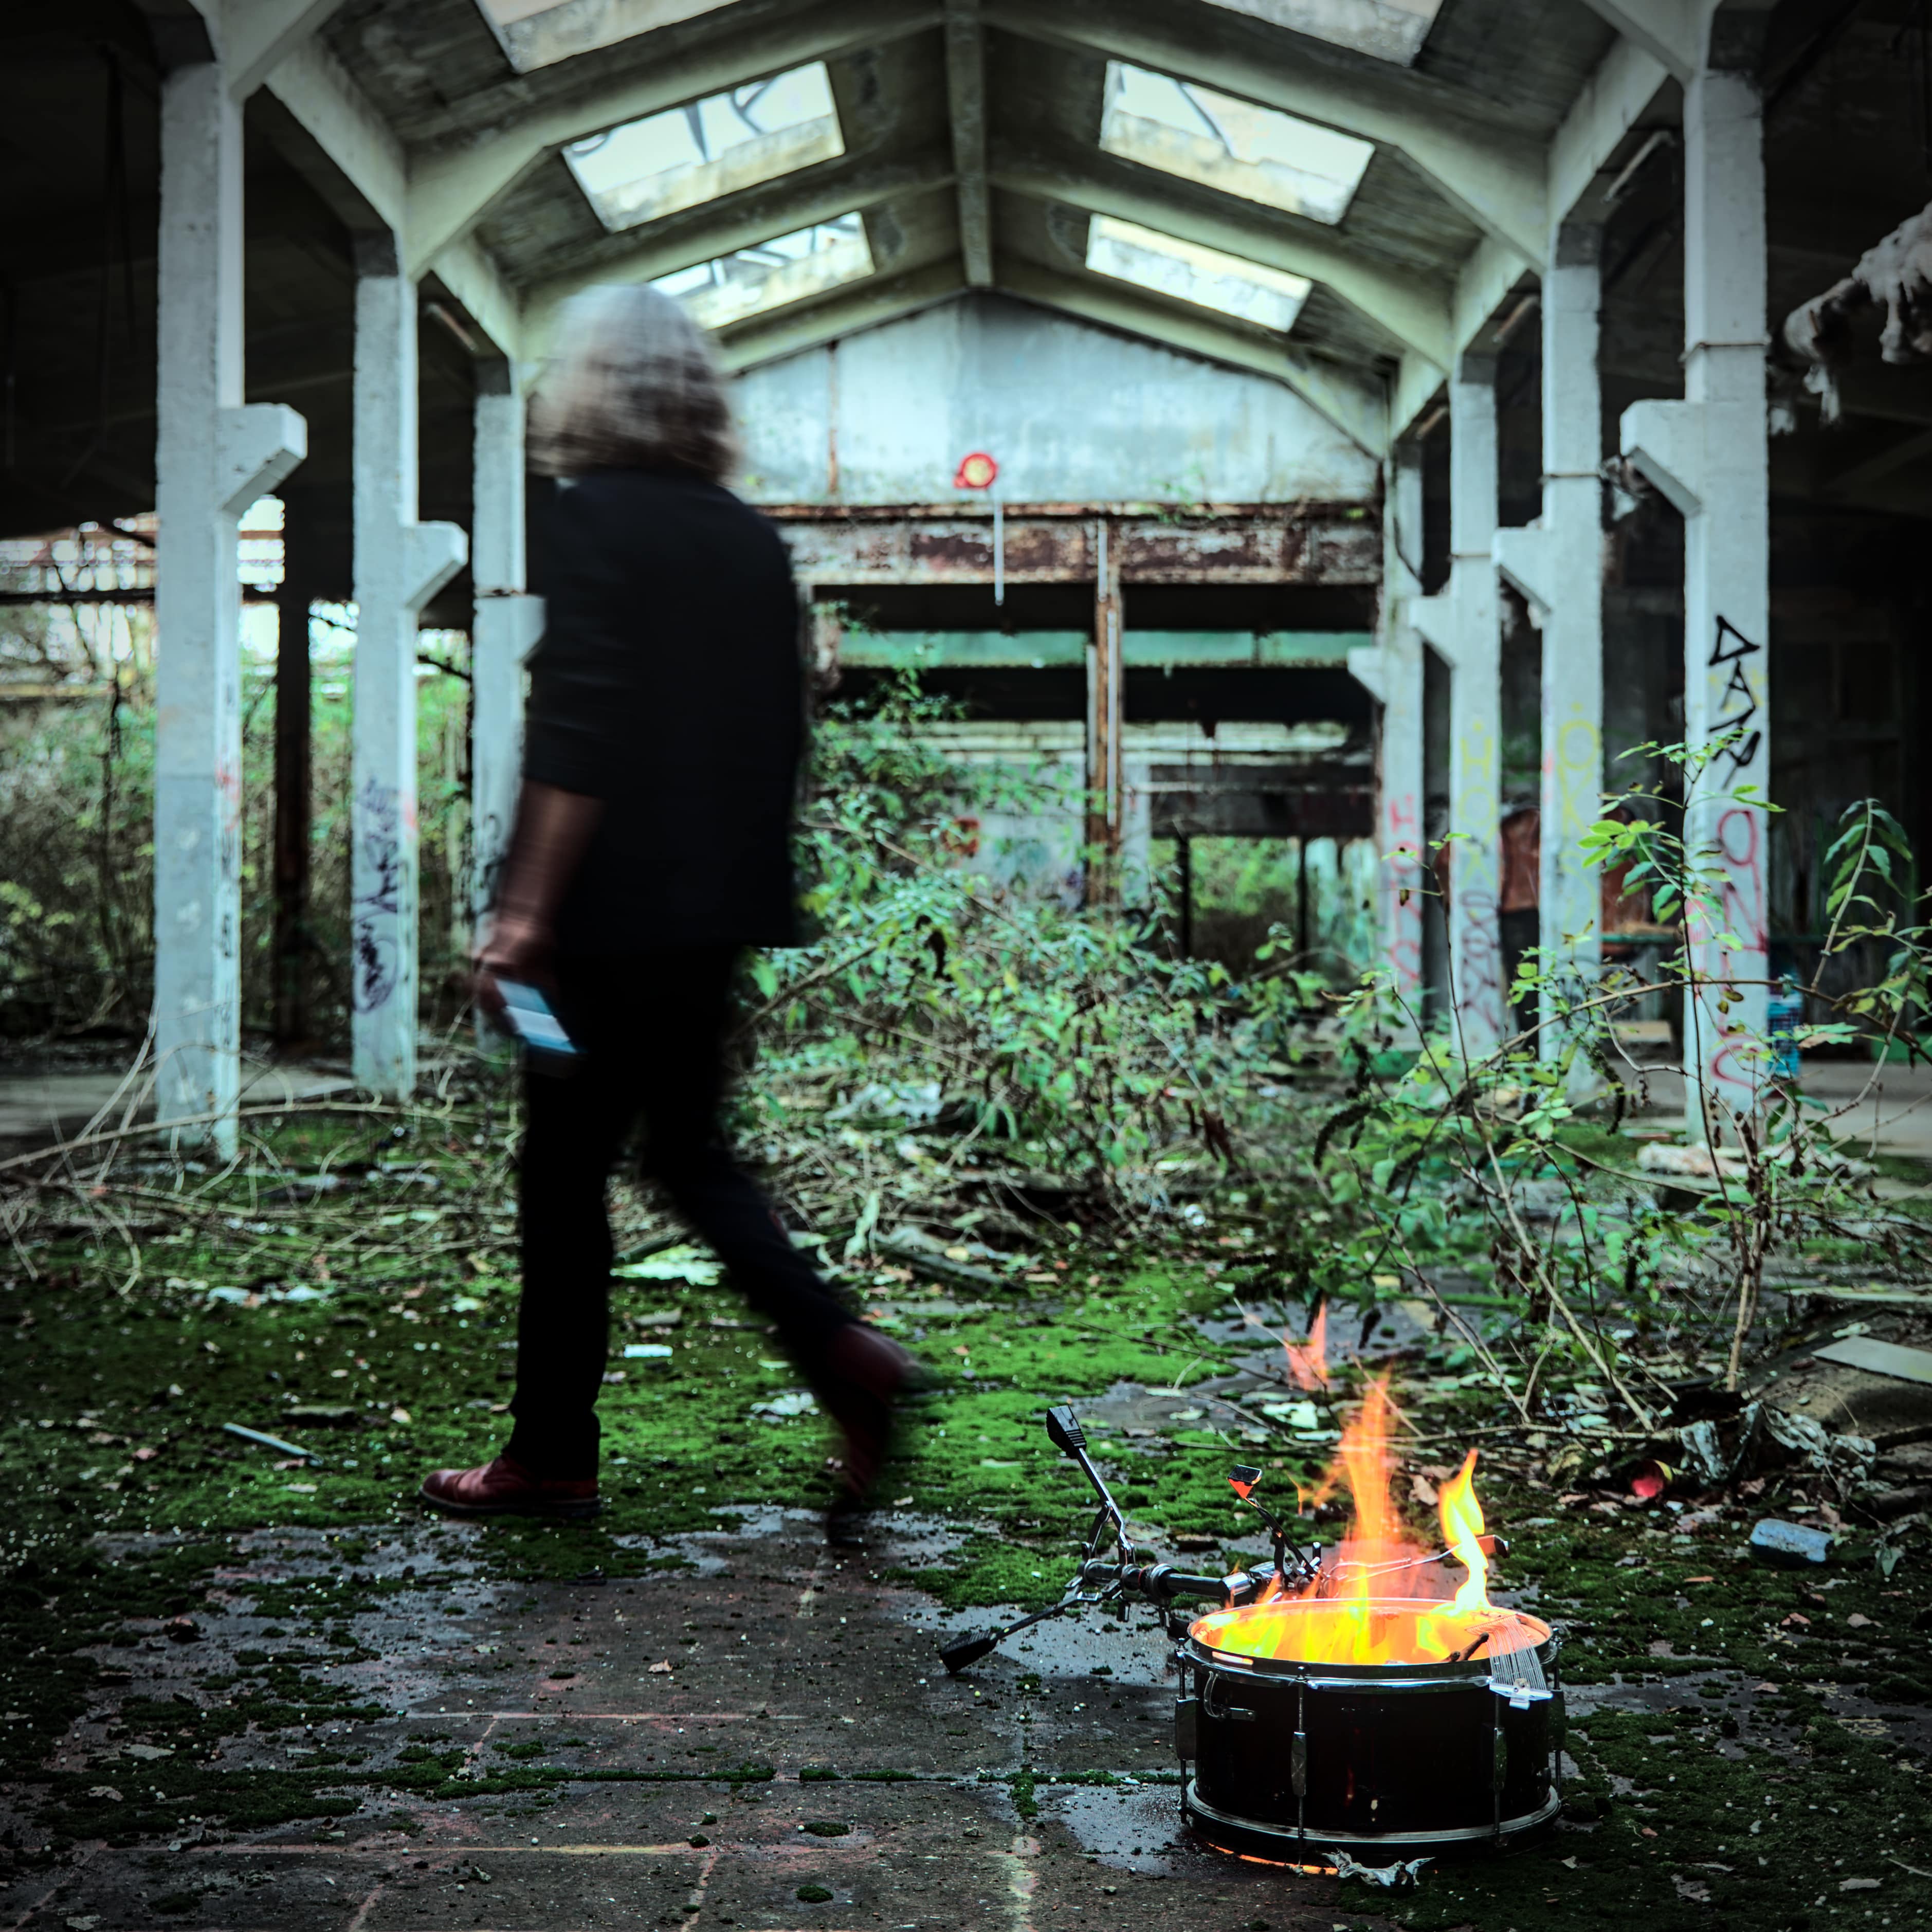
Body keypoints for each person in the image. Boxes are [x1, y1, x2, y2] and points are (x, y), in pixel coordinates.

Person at [421, 284, 913, 1526]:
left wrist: (522, 915)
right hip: (710, 921)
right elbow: (780, 737)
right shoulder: (752, 542)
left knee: (561, 1171)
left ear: (591, 389)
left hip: (591, 929)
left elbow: (577, 724)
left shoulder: (592, 515)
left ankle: (550, 1454)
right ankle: (843, 1351)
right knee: (688, 1154)